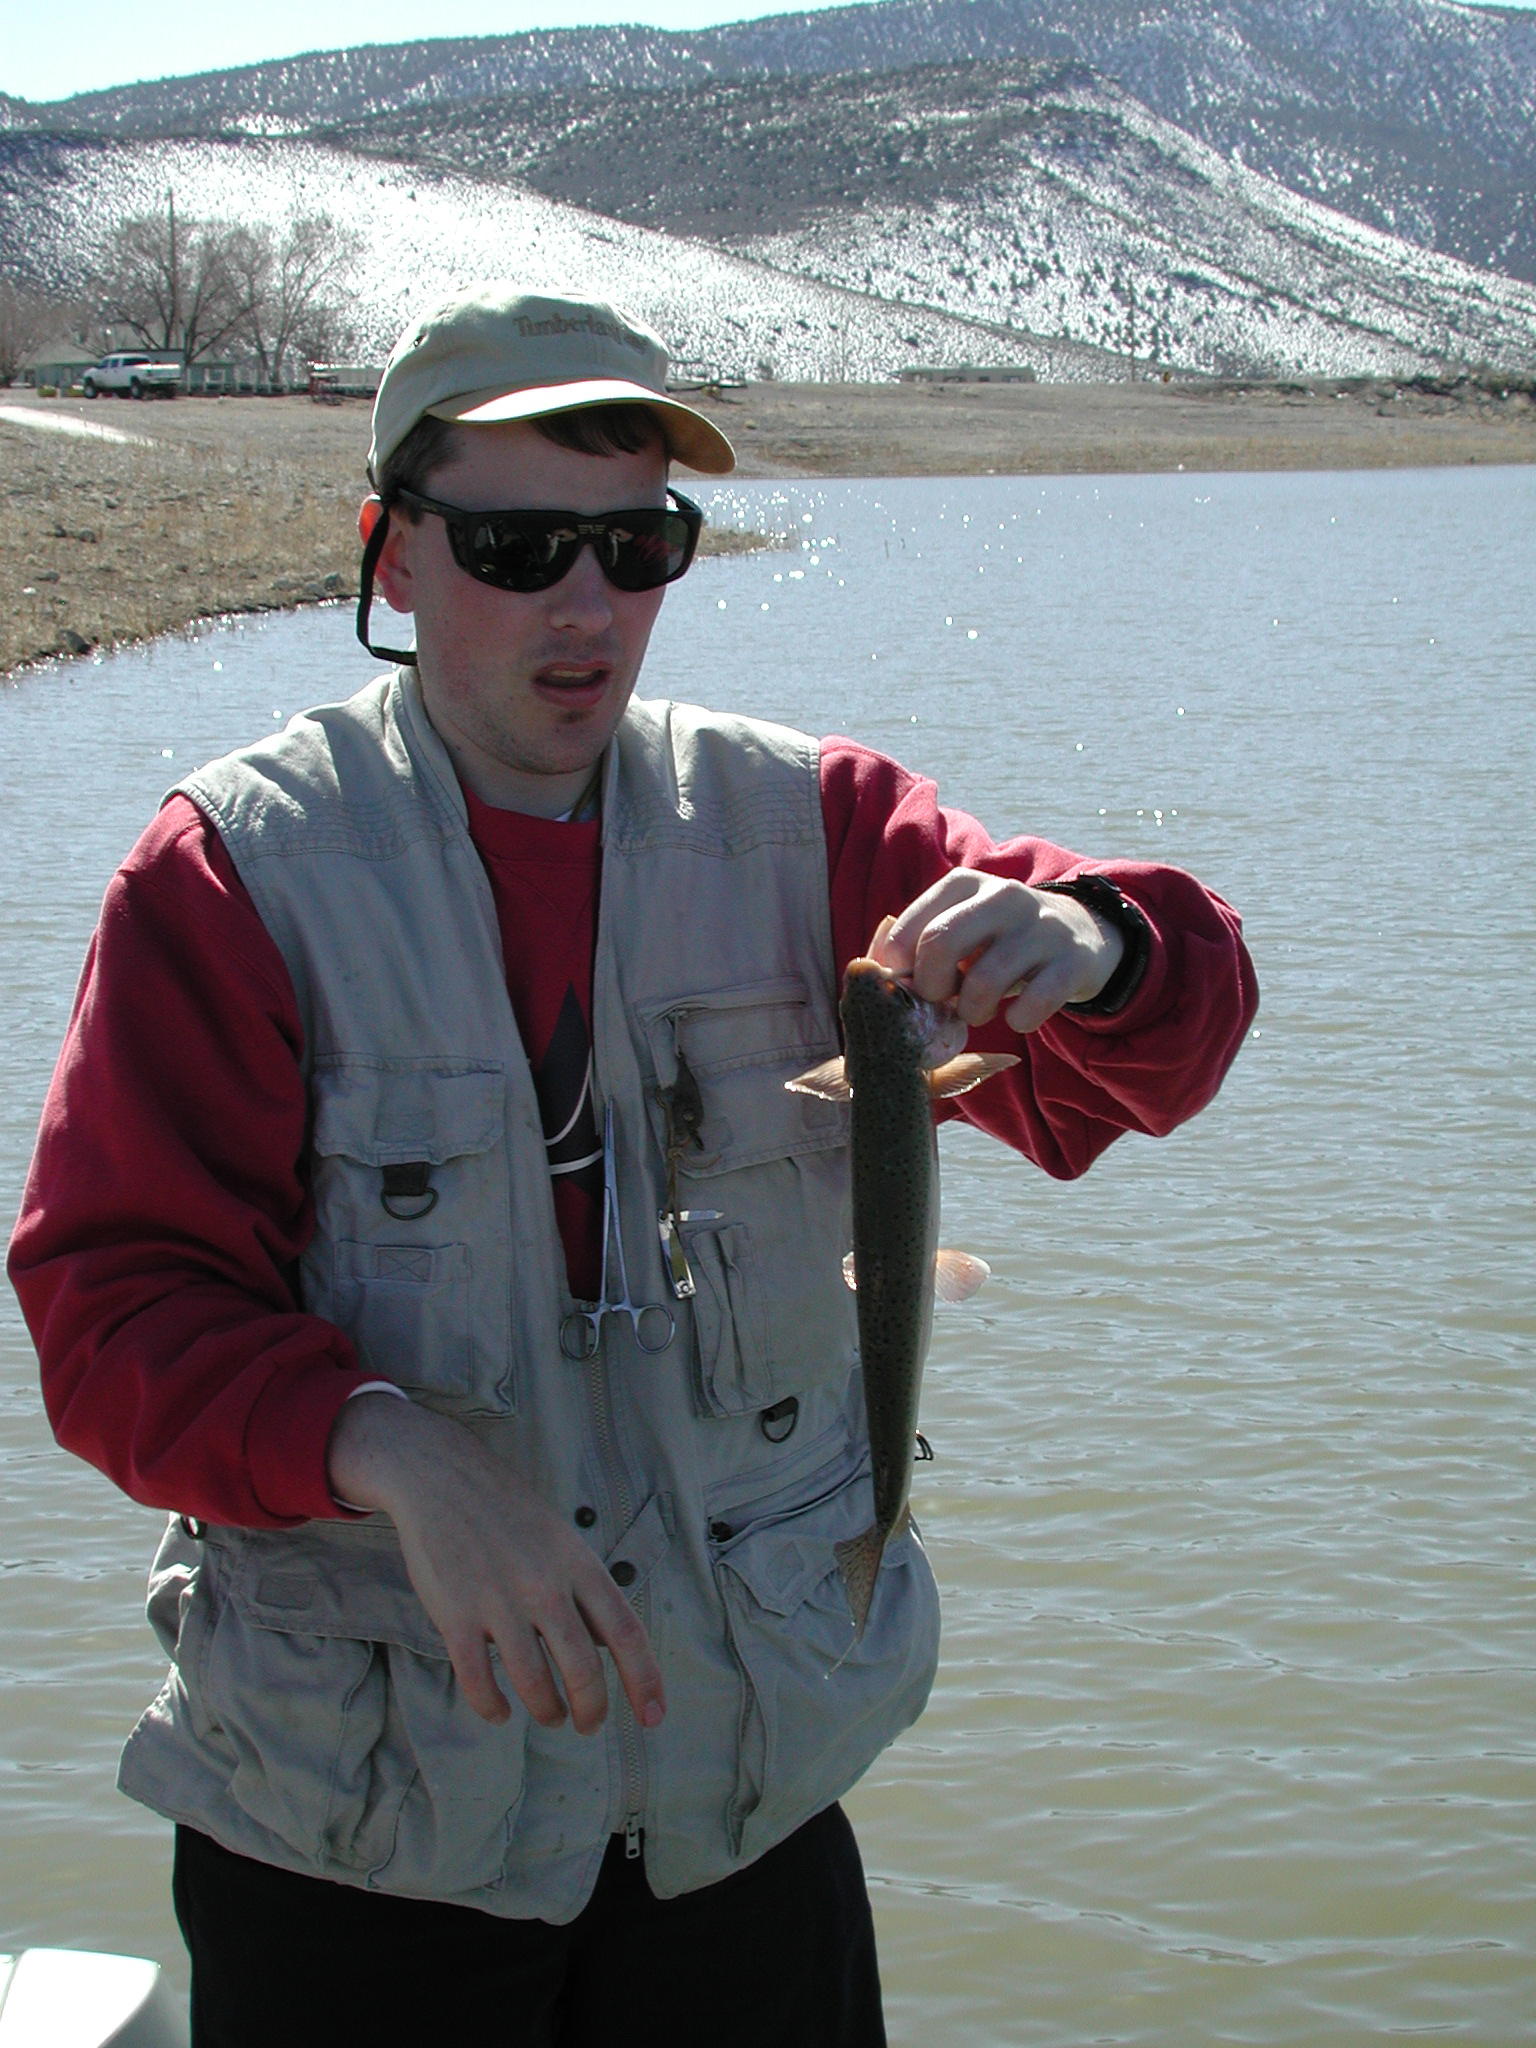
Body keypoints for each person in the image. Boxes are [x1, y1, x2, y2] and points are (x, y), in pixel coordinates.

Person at [8, 286, 1257, 2047]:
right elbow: (111, 1315)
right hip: (359, 1854)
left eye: (637, 540)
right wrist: (392, 1451)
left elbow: (1159, 1052)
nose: (585, 605)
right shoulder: (228, 881)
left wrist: (1099, 945)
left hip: (738, 1822)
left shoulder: (812, 828)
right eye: (517, 545)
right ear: (393, 559)